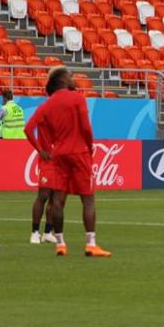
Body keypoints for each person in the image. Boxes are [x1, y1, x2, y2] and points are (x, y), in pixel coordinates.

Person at [26, 66, 111, 257]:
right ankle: (91, 244)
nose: (74, 80)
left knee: (57, 200)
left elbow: (28, 128)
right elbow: (86, 128)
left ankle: (60, 244)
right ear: (63, 80)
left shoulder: (47, 105)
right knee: (87, 199)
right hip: (79, 151)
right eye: (71, 76)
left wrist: (41, 150)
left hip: (59, 155)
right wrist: (89, 146)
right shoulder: (77, 98)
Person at [24, 82, 58, 245]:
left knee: (55, 197)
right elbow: (28, 129)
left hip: (60, 160)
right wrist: (39, 149)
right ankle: (35, 232)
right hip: (48, 160)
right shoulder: (44, 109)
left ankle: (47, 232)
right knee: (43, 195)